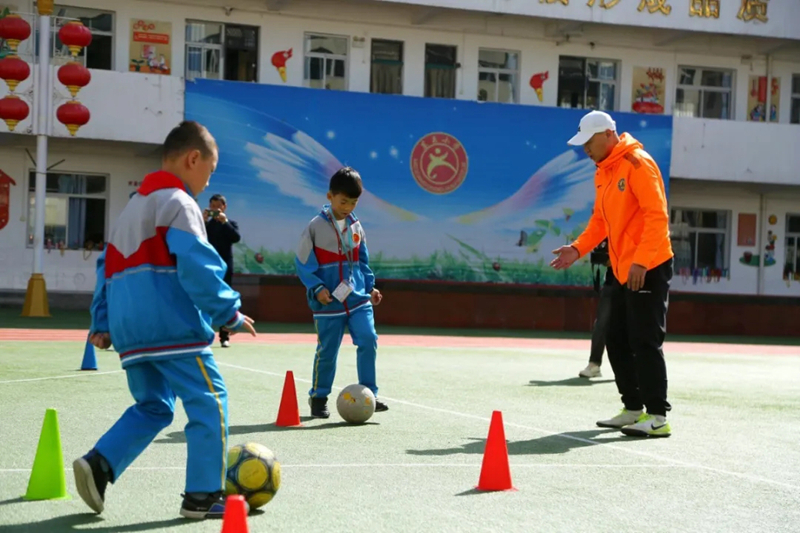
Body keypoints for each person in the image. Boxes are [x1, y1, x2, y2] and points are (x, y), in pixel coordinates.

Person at [73, 121, 257, 519]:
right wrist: (229, 312)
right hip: (173, 327)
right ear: (193, 159)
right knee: (210, 401)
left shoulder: (130, 209)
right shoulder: (179, 202)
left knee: (154, 405)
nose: (208, 183)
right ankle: (203, 496)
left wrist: (101, 324)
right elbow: (197, 266)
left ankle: (100, 463)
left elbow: (107, 269)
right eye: (209, 171)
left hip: (130, 332)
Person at [551, 110, 674, 438]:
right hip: (621, 269)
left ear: (607, 135)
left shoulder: (637, 163)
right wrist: (576, 249)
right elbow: (600, 223)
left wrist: (642, 262)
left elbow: (657, 217)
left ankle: (658, 416)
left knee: (645, 340)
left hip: (648, 266)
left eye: (589, 142)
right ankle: (633, 408)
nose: (585, 149)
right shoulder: (603, 171)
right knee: (616, 337)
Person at [294, 167, 388, 419]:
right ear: (330, 196)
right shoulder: (315, 226)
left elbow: (363, 261)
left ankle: (370, 394)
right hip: (328, 303)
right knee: (327, 352)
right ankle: (318, 397)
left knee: (368, 339)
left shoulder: (356, 226)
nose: (348, 206)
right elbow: (303, 262)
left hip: (357, 299)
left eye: (353, 201)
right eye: (343, 200)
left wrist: (370, 287)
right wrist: (317, 288)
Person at [204, 194, 241, 347]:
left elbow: (236, 237)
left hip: (225, 266)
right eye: (212, 207)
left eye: (218, 207)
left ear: (224, 207)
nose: (215, 210)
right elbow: (197, 237)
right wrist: (203, 220)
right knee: (205, 298)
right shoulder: (205, 225)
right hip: (207, 265)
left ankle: (224, 337)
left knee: (225, 300)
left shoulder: (231, 223)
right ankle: (203, 335)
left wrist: (224, 222)